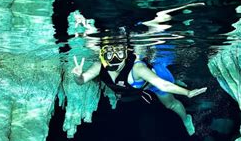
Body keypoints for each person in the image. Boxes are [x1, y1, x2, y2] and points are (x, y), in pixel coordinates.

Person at [72, 43, 207, 135]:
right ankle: (178, 82)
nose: (115, 59)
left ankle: (185, 118)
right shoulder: (98, 66)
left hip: (155, 81)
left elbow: (162, 85)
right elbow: (81, 81)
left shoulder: (138, 68)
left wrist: (187, 93)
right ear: (102, 56)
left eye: (120, 54)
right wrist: (77, 76)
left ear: (126, 54)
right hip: (138, 88)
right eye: (109, 55)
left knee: (170, 104)